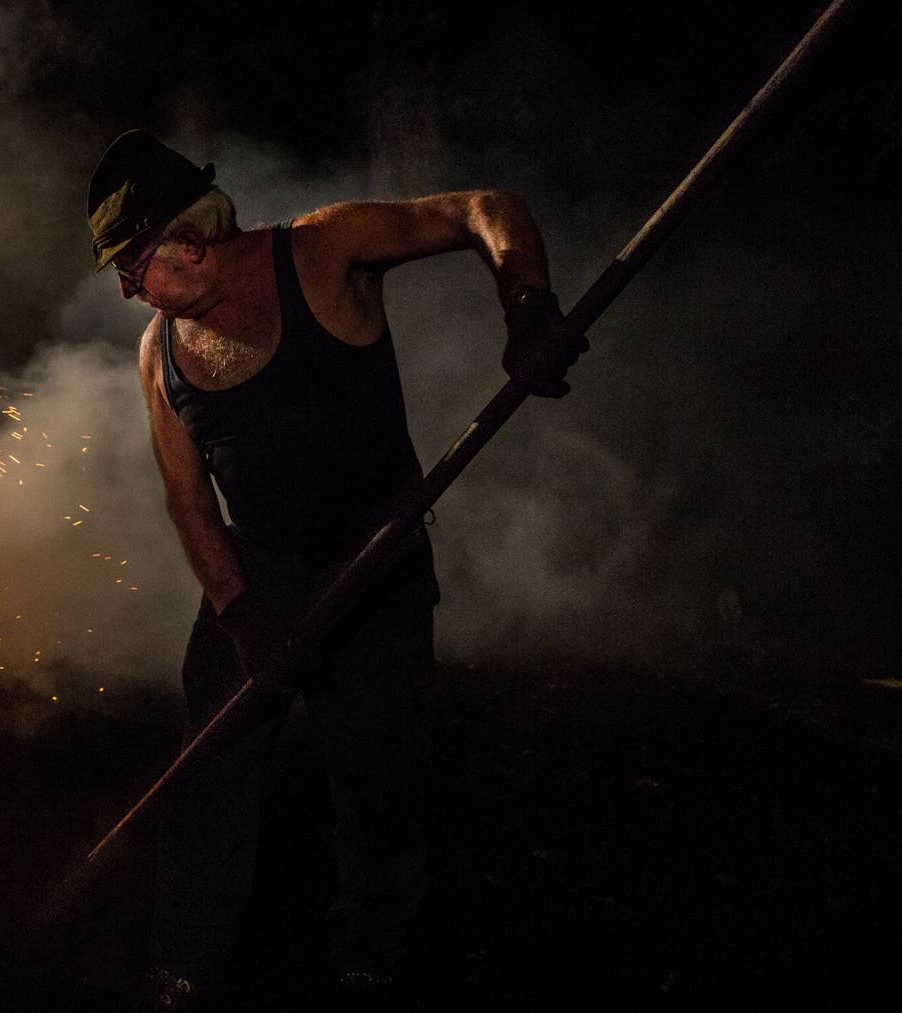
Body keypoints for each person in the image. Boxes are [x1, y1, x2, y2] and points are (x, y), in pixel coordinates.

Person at [85, 130, 586, 1009]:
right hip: (260, 574)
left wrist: (529, 305)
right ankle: (186, 961)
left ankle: (371, 954)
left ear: (187, 241)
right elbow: (192, 505)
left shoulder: (322, 251)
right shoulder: (159, 355)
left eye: (133, 267)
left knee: (378, 781)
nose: (131, 291)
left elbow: (486, 209)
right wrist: (242, 617)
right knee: (213, 768)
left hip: (377, 560)